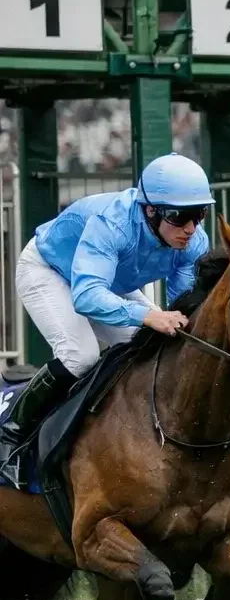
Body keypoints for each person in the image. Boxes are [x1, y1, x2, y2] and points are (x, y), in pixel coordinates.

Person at [0, 152, 214, 473]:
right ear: (151, 211)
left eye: (199, 215)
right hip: (50, 270)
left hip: (110, 277)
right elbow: (86, 296)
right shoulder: (112, 224)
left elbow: (184, 303)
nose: (190, 228)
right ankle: (11, 433)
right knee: (80, 356)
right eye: (179, 217)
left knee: (150, 348)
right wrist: (146, 315)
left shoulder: (193, 240)